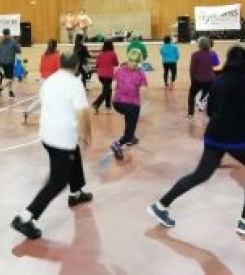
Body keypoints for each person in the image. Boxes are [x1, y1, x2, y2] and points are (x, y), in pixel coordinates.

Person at [148, 45, 245, 235]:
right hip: (237, 138)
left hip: (214, 135)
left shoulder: (218, 79)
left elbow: (209, 109)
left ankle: (161, 205)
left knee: (201, 174)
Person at [11, 53, 92, 239]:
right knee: (57, 181)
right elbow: (82, 114)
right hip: (61, 140)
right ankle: (27, 217)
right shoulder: (74, 83)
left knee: (75, 153)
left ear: (60, 64)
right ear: (77, 65)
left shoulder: (49, 81)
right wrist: (87, 134)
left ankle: (76, 192)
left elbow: (41, 102)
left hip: (47, 136)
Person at [110, 49, 147, 160]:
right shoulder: (140, 73)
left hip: (117, 103)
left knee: (129, 115)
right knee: (132, 114)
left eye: (136, 61)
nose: (134, 63)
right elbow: (144, 89)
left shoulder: (120, 70)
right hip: (131, 104)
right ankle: (118, 144)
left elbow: (114, 82)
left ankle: (131, 137)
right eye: (133, 61)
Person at [23, 39, 60, 124]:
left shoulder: (43, 55)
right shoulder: (57, 56)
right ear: (55, 46)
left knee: (41, 99)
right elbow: (58, 69)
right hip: (52, 80)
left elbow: (40, 69)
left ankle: (28, 111)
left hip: (43, 79)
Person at [187, 37, 216, 119]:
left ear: (199, 44)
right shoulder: (212, 54)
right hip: (210, 79)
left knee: (191, 95)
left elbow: (192, 69)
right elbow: (213, 66)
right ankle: (211, 114)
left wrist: (192, 80)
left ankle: (190, 114)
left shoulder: (195, 54)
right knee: (211, 96)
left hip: (198, 79)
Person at [92, 40, 119, 114]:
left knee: (108, 89)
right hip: (108, 75)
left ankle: (108, 105)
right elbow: (116, 63)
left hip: (101, 75)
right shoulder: (113, 54)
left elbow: (97, 65)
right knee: (106, 90)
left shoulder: (100, 54)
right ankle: (96, 103)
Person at [0, 28, 21, 98]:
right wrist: (18, 45)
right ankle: (1, 88)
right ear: (9, 33)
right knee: (10, 78)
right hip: (9, 62)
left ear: (3, 34)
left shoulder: (0, 42)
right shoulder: (13, 42)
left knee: (8, 77)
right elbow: (19, 51)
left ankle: (10, 91)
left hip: (2, 62)